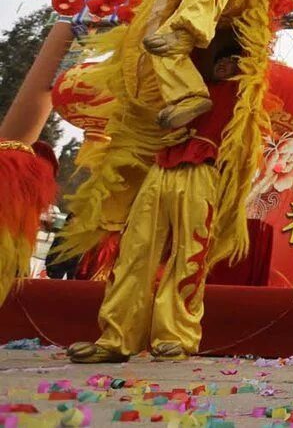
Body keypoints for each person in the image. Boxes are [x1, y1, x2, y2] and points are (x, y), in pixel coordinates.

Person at [68, 42, 242, 363]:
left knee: (190, 253)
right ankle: (115, 337)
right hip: (160, 168)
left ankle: (175, 336)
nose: (223, 64)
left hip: (203, 173)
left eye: (232, 60)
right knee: (133, 250)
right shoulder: (185, 89)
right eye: (219, 59)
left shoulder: (241, 97)